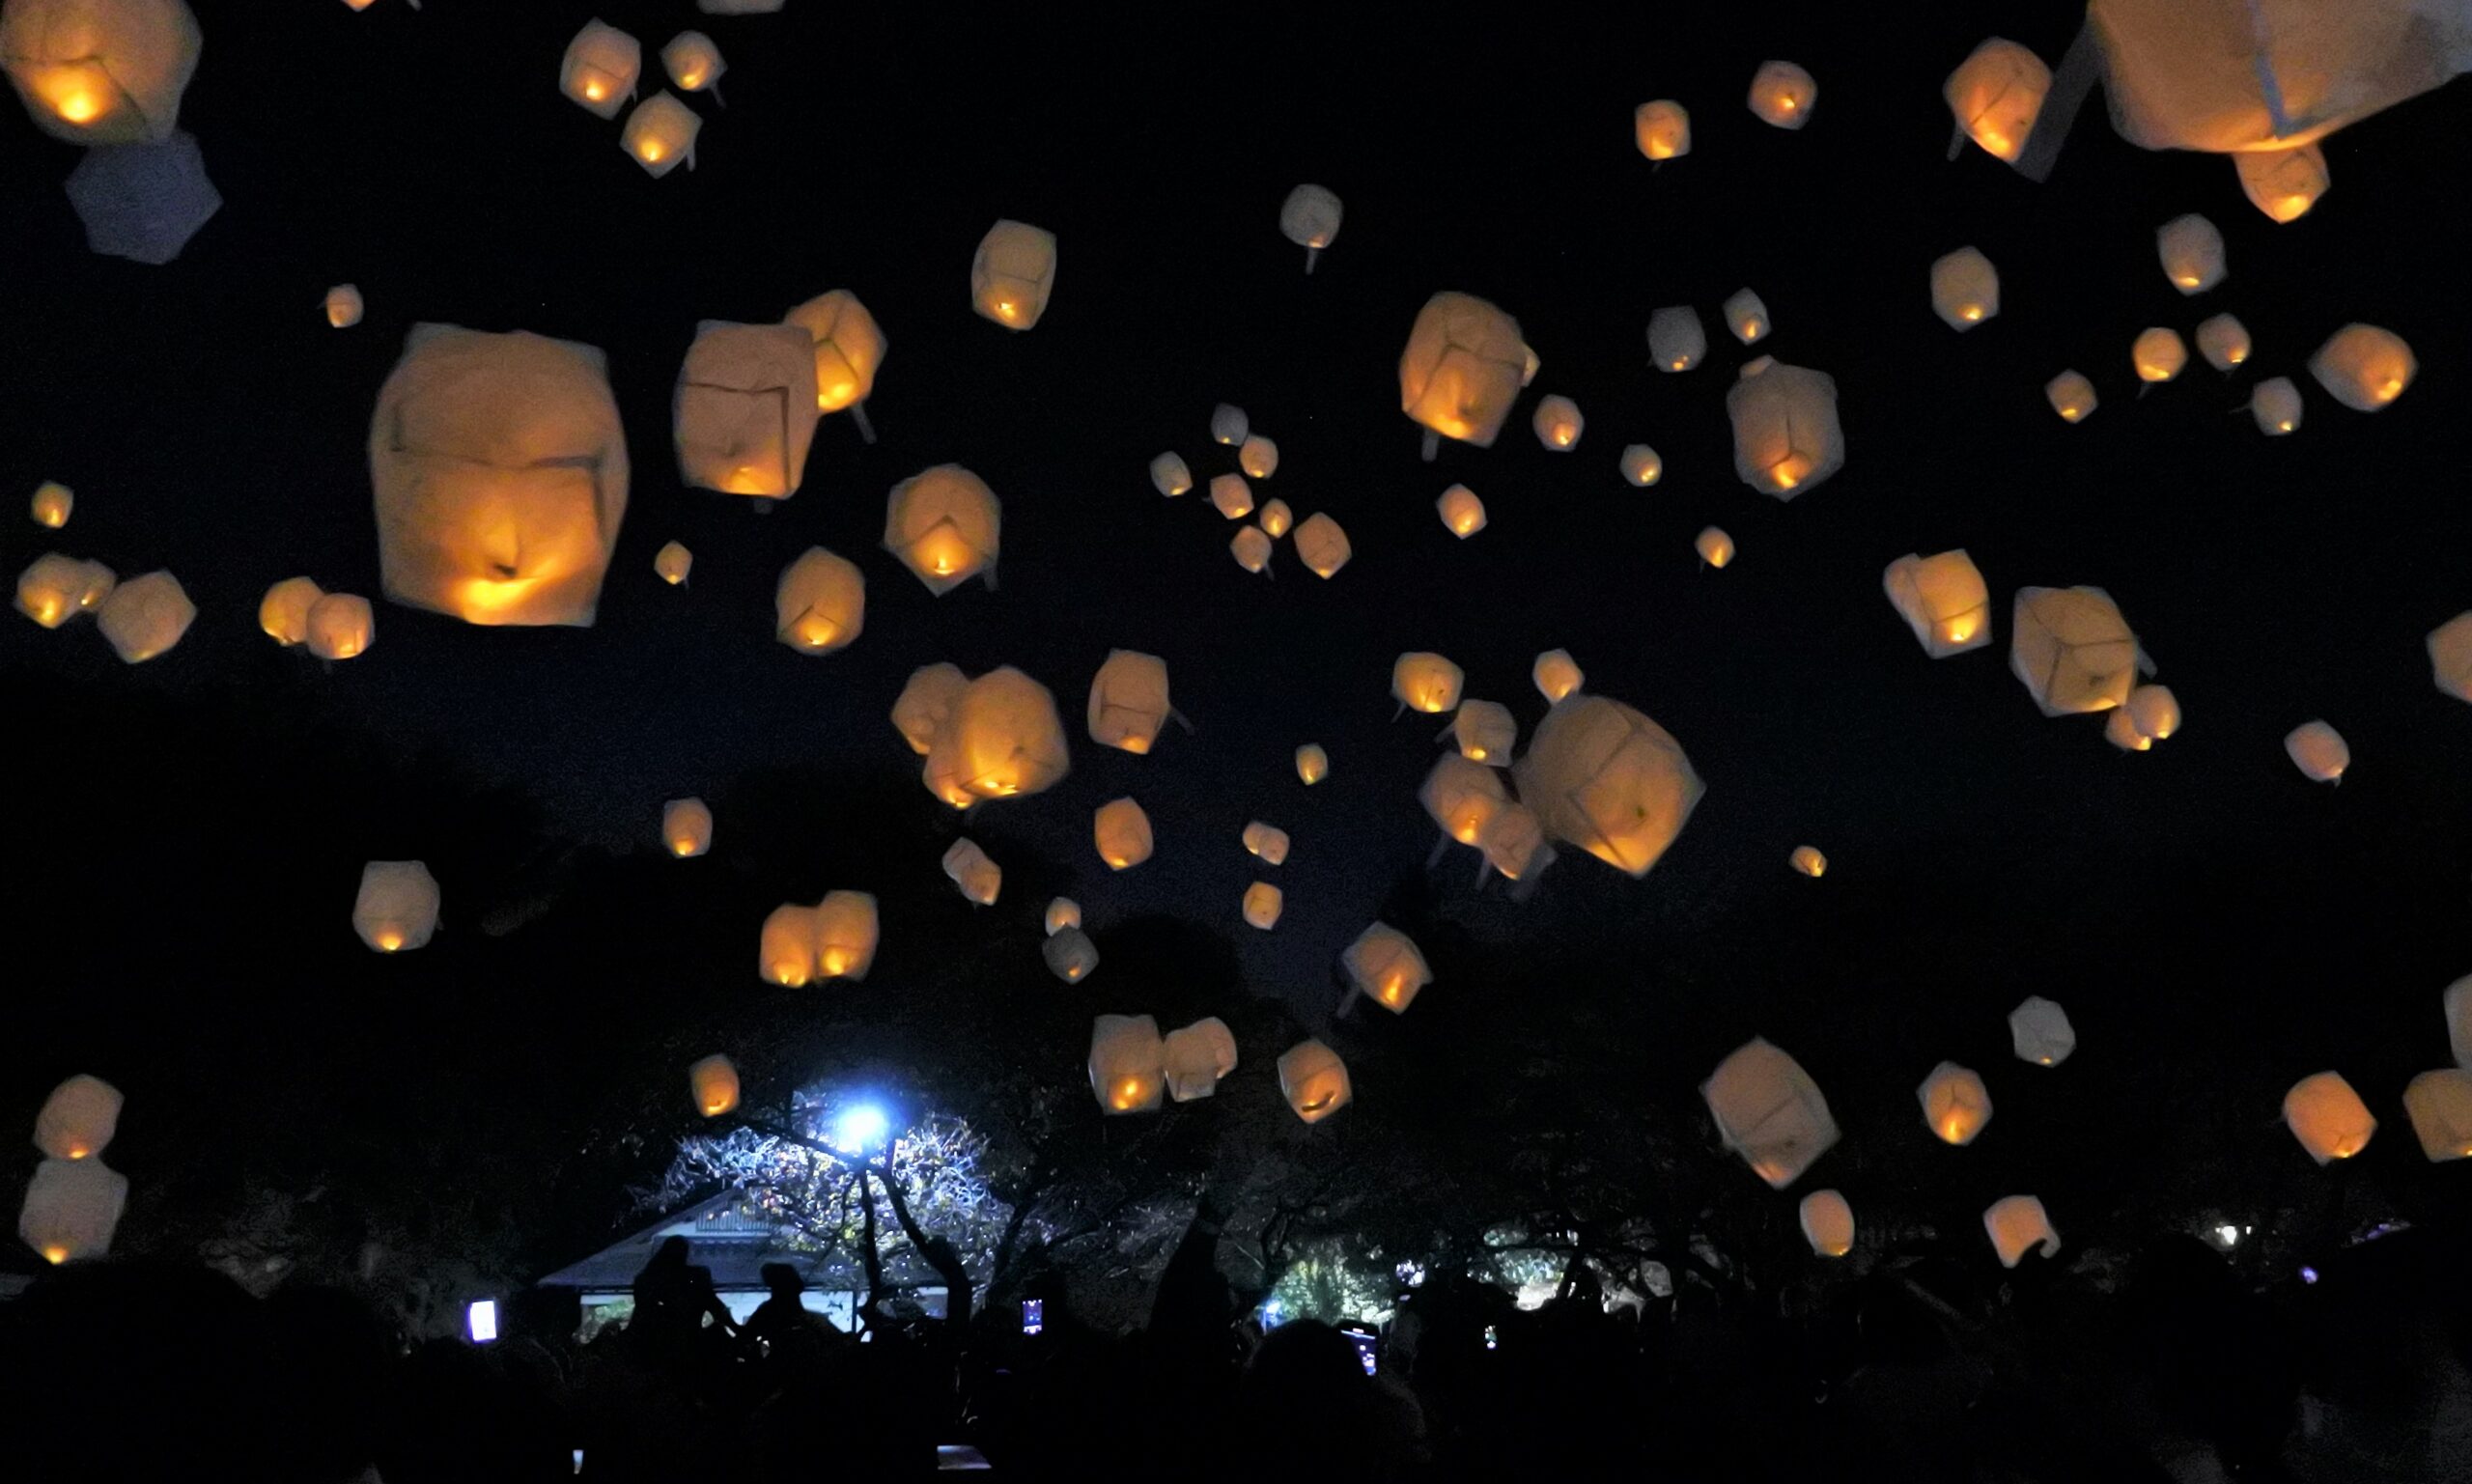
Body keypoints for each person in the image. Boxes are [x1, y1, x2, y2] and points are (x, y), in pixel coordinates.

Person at [628, 1236, 735, 1361]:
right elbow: (714, 1304)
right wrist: (737, 1329)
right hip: (684, 1346)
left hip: (654, 1347)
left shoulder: (646, 1280)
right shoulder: (695, 1277)